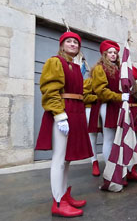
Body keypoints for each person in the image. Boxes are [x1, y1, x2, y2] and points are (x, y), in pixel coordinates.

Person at [36, 31, 93, 217]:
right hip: (63, 111)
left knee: (67, 160)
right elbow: (50, 89)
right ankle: (58, 202)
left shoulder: (76, 67)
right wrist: (59, 115)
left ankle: (64, 194)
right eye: (69, 41)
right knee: (59, 159)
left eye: (76, 42)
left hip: (75, 112)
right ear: (62, 45)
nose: (73, 44)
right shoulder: (55, 62)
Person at [91, 40, 137, 182]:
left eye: (115, 52)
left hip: (121, 106)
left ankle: (129, 171)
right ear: (104, 54)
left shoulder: (119, 69)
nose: (113, 55)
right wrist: (119, 96)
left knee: (126, 138)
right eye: (110, 52)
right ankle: (112, 173)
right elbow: (101, 91)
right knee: (109, 139)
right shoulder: (99, 69)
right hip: (109, 106)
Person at [83, 77, 102, 176]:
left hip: (105, 109)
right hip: (91, 110)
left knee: (109, 136)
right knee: (92, 137)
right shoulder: (90, 80)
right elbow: (84, 96)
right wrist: (98, 98)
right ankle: (94, 162)